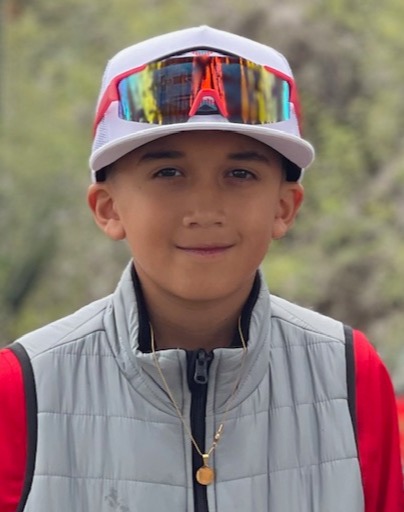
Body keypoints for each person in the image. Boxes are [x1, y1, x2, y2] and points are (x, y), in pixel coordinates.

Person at [0, 25, 402, 512]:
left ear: (284, 207)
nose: (206, 210)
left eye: (240, 173)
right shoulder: (23, 386)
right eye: (168, 172)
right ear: (108, 208)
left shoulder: (348, 375)